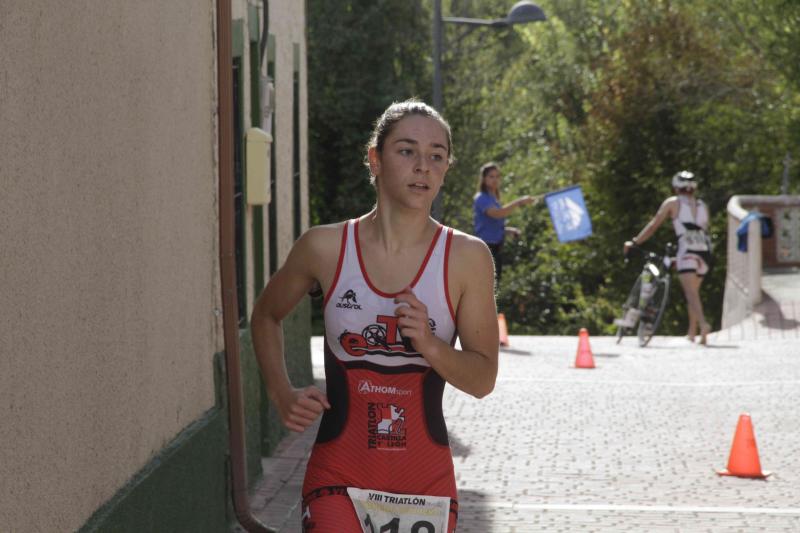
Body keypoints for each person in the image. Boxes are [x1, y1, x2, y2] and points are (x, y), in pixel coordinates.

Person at [250, 99, 499, 532]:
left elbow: (482, 380)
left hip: (425, 482)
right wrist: (281, 391)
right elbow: (266, 316)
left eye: (436, 156)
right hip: (337, 475)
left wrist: (430, 345)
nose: (422, 166)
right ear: (375, 159)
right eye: (407, 150)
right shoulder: (324, 247)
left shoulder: (467, 257)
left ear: (446, 169)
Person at [623, 170, 712, 344]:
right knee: (694, 293)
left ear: (676, 187)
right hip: (705, 251)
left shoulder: (673, 203)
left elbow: (653, 225)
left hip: (687, 250)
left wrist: (635, 242)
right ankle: (692, 332)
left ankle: (703, 324)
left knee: (690, 293)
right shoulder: (702, 205)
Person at [473, 162, 538, 283]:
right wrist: (519, 202)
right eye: (491, 176)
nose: (495, 180)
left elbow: (492, 224)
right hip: (485, 248)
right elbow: (497, 213)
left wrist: (507, 230)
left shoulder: (494, 198)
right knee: (487, 285)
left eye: (497, 176)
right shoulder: (481, 197)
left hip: (497, 248)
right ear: (484, 179)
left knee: (495, 284)